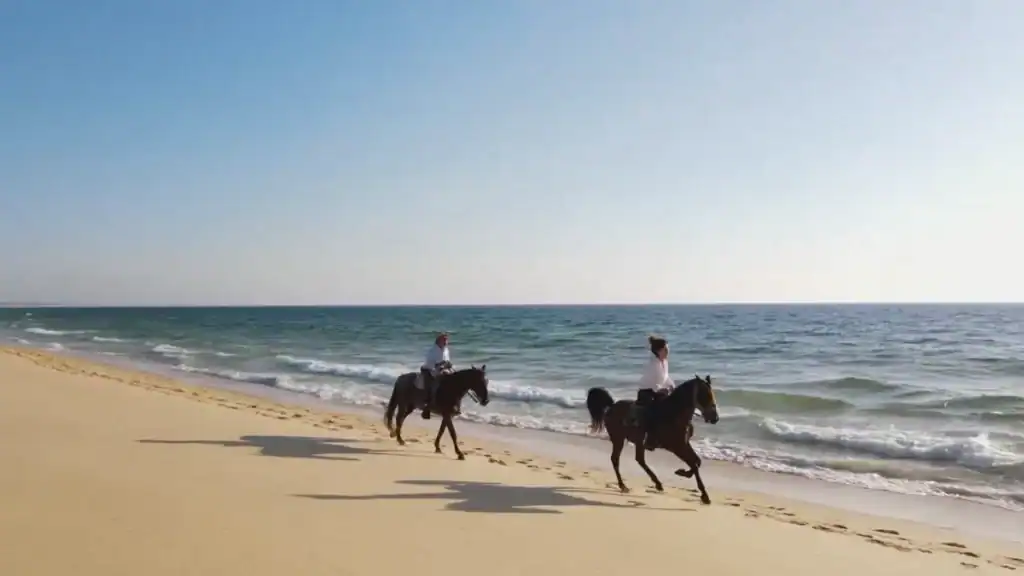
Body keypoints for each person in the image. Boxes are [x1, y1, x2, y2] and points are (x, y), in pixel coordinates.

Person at [637, 335, 674, 450]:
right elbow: (654, 384)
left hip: (658, 390)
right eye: (666, 349)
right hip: (647, 392)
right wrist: (662, 390)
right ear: (658, 351)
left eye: (668, 349)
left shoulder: (664, 362)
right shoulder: (653, 364)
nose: (668, 351)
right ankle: (650, 440)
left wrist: (672, 386)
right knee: (656, 413)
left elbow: (666, 378)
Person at [420, 332, 451, 419]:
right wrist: (440, 366)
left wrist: (448, 365)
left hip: (442, 370)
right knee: (433, 385)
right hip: (429, 370)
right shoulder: (432, 350)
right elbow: (429, 363)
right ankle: (427, 406)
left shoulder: (446, 350)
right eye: (444, 340)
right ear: (438, 341)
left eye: (446, 340)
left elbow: (447, 360)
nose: (445, 342)